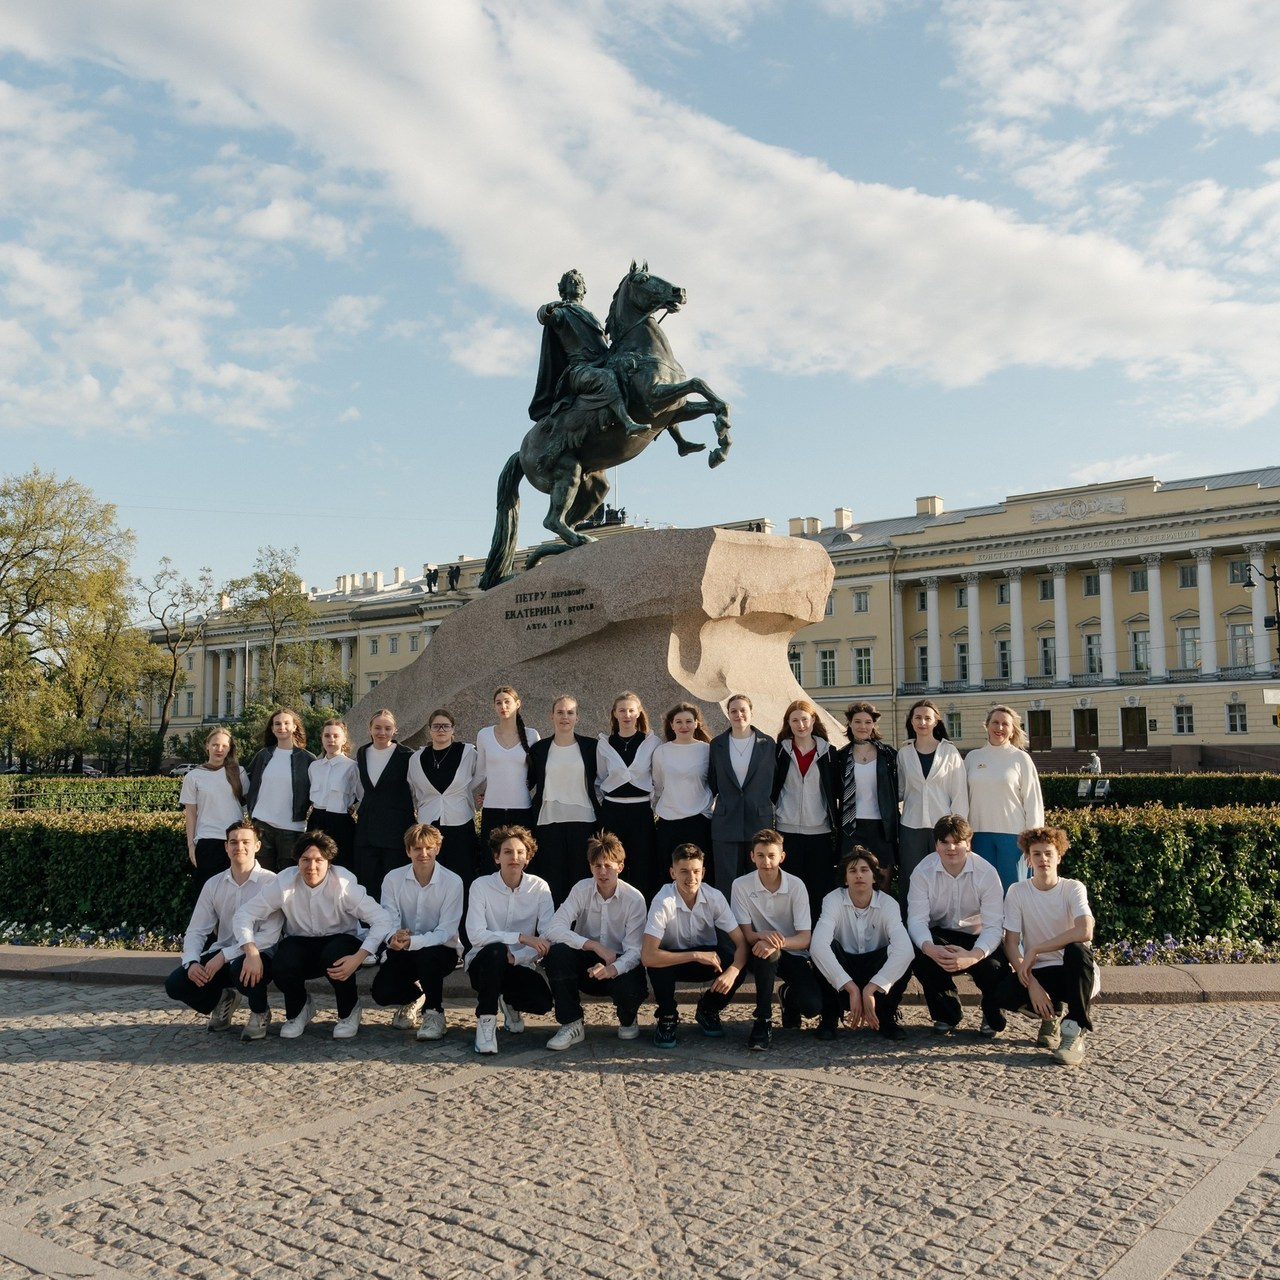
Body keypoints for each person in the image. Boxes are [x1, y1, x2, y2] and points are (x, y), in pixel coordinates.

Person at [233, 830, 392, 1041]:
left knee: (335, 955)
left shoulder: (344, 885)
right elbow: (244, 914)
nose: (312, 867)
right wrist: (251, 951)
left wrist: (359, 957)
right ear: (297, 862)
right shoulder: (283, 883)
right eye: (305, 860)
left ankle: (349, 1011)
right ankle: (299, 1010)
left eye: (319, 860)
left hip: (340, 939)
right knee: (282, 961)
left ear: (329, 862)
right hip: (301, 941)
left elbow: (382, 919)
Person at [982, 827, 1098, 1066]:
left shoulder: (1073, 888)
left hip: (1075, 972)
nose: (1043, 859)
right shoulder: (1017, 891)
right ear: (1028, 858)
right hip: (1041, 971)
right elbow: (1011, 943)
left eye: (1048, 853)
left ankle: (1074, 1030)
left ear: (1059, 856)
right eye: (1036, 854)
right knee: (1002, 993)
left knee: (1077, 949)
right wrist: (1031, 982)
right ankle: (1052, 1014)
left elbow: (1085, 930)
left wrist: (1036, 949)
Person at [164, 818, 280, 1042]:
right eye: (234, 842)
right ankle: (223, 998)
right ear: (226, 847)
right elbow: (197, 930)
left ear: (257, 845)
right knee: (176, 984)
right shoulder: (214, 884)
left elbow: (270, 935)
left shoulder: (271, 882)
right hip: (222, 951)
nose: (240, 847)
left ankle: (259, 1011)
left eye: (246, 841)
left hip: (261, 952)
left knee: (242, 968)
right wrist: (191, 962)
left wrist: (224, 956)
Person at [543, 831, 649, 1049]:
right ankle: (571, 1022)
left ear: (620, 866)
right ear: (590, 867)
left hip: (619, 964)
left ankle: (628, 1015)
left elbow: (635, 951)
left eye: (608, 865)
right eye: (597, 866)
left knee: (631, 986)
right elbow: (553, 928)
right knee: (558, 953)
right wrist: (593, 945)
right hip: (587, 961)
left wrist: (613, 969)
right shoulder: (581, 889)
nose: (602, 872)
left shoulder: (634, 899)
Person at [906, 814, 1008, 1036]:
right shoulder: (922, 872)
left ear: (968, 844)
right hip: (940, 935)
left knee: (995, 967)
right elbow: (916, 920)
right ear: (936, 845)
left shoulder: (987, 873)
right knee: (916, 951)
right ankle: (947, 1012)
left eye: (957, 842)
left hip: (977, 937)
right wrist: (930, 949)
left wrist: (973, 956)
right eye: (944, 842)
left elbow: (993, 927)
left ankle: (991, 1011)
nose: (951, 848)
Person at [642, 843, 748, 1049]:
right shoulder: (663, 900)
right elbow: (647, 956)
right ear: (672, 873)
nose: (691, 878)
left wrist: (732, 972)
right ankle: (667, 1015)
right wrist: (695, 955)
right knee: (657, 965)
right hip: (672, 959)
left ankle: (708, 1009)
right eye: (684, 872)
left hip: (707, 958)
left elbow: (742, 943)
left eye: (696, 871)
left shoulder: (714, 897)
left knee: (735, 964)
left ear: (704, 872)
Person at [464, 825, 555, 1055]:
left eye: (520, 852)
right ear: (496, 857)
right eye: (507, 852)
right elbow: (475, 934)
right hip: (483, 965)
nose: (514, 857)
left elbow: (546, 937)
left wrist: (517, 956)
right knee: (495, 951)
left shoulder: (540, 887)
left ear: (527, 857)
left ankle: (509, 1002)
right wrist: (521, 938)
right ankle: (486, 1023)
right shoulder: (481, 886)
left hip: (518, 964)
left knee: (542, 1003)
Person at [729, 828, 822, 1050]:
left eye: (772, 856)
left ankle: (787, 994)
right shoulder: (740, 885)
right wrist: (763, 938)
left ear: (782, 857)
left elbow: (805, 938)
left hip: (792, 951)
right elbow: (747, 934)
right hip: (758, 953)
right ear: (752, 856)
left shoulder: (796, 886)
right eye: (760, 855)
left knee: (812, 1007)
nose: (766, 861)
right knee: (767, 955)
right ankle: (763, 1020)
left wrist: (775, 942)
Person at [810, 847, 913, 1042]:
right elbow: (817, 946)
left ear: (874, 877)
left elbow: (905, 950)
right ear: (845, 878)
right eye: (853, 871)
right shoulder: (832, 900)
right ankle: (829, 1018)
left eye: (865, 870)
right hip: (844, 968)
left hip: (874, 969)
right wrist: (849, 986)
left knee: (901, 956)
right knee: (824, 951)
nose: (859, 875)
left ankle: (886, 1018)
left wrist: (871, 987)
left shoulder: (888, 903)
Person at [373, 823, 463, 1042]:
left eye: (428, 848)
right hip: (403, 949)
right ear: (408, 851)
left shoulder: (453, 882)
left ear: (438, 848)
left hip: (442, 951)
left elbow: (445, 931)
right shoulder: (393, 879)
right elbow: (388, 917)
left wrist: (413, 941)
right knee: (381, 992)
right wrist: (393, 937)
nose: (423, 853)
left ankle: (434, 1013)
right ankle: (416, 996)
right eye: (417, 849)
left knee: (428, 955)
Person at [526, 694, 601, 907]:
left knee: (581, 878)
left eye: (570, 712)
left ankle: (579, 930)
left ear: (577, 718)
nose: (564, 717)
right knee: (552, 879)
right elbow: (527, 780)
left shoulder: (590, 747)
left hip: (584, 820)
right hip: (548, 821)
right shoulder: (540, 749)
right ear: (551, 717)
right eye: (560, 712)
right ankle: (553, 929)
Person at [965, 705, 1045, 892]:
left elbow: (1033, 802)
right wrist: (964, 835)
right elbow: (963, 797)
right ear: (987, 726)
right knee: (983, 891)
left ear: (1012, 730)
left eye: (1004, 724)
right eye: (995, 722)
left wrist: (1032, 841)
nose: (999, 728)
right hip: (979, 835)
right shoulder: (972, 758)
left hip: (1013, 837)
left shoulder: (1021, 759)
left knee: (1014, 890)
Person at [771, 698, 838, 919]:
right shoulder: (779, 752)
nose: (801, 725)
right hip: (787, 829)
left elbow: (834, 789)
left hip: (819, 830)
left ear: (813, 720)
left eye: (805, 719)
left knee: (819, 888)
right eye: (795, 720)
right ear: (788, 723)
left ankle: (818, 938)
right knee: (790, 888)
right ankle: (793, 941)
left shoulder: (828, 753)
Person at [896, 699, 967, 904]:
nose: (923, 722)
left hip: (943, 826)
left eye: (928, 718)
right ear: (911, 721)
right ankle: (909, 929)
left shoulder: (949, 752)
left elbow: (959, 793)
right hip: (911, 826)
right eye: (918, 717)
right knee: (911, 879)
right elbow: (900, 790)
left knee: (943, 878)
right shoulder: (904, 753)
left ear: (936, 722)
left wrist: (959, 832)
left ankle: (942, 930)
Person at [406, 709, 481, 892]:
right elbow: (414, 789)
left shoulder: (467, 753)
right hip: (429, 825)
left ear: (452, 729)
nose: (441, 730)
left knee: (462, 876)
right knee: (431, 877)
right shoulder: (416, 759)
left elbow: (483, 776)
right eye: (436, 726)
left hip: (460, 823)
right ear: (430, 730)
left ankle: (462, 920)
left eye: (446, 726)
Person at [707, 693, 775, 890]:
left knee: (758, 880)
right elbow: (713, 780)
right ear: (728, 714)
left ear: (751, 712)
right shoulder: (717, 744)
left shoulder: (768, 744)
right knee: (727, 882)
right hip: (726, 822)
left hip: (758, 820)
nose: (739, 715)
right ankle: (728, 921)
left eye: (743, 710)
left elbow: (775, 780)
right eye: (733, 711)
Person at [596, 692, 660, 900]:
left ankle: (643, 917)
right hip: (612, 811)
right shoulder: (605, 744)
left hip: (640, 812)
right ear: (614, 714)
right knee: (612, 864)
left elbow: (657, 778)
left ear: (639, 712)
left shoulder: (651, 742)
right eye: (622, 710)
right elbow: (601, 776)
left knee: (642, 865)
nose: (627, 714)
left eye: (631, 710)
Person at [352, 708, 415, 896]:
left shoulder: (406, 755)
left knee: (394, 884)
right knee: (367, 881)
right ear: (370, 729)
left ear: (394, 730)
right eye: (377, 728)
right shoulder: (362, 752)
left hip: (396, 829)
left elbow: (415, 789)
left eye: (387, 728)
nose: (382, 732)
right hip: (368, 828)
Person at [835, 701, 899, 887]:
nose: (862, 726)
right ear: (850, 724)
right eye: (857, 722)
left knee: (882, 879)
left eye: (867, 722)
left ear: (873, 725)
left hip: (881, 824)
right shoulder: (841, 757)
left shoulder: (888, 756)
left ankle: (881, 915)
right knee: (853, 878)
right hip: (851, 825)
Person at [650, 702, 714, 884]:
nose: (684, 726)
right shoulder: (661, 752)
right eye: (678, 722)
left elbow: (712, 782)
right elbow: (659, 785)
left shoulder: (707, 750)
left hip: (699, 820)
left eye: (688, 721)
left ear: (696, 723)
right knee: (668, 873)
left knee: (699, 875)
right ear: (671, 725)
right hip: (669, 822)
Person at [180, 726, 248, 894]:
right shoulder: (193, 777)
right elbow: (190, 813)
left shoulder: (239, 773)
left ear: (230, 748)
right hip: (208, 841)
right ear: (207, 746)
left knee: (234, 893)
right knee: (207, 894)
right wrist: (191, 845)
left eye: (224, 746)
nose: (219, 749)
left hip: (234, 841)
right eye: (215, 745)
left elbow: (249, 805)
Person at [246, 708, 316, 871]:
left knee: (289, 879)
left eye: (286, 723)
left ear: (295, 727)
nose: (281, 727)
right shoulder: (263, 756)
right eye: (277, 724)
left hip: (292, 829)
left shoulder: (308, 759)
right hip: (262, 826)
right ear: (272, 728)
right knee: (262, 878)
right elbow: (246, 784)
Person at [475, 686, 540, 853]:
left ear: (518, 704)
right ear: (494, 706)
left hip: (522, 810)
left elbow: (538, 773)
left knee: (522, 859)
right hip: (492, 809)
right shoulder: (484, 735)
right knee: (491, 861)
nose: (503, 706)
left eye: (507, 702)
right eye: (498, 703)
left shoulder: (532, 735)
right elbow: (481, 772)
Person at [307, 719, 359, 865]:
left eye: (336, 736)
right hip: (316, 820)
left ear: (344, 739)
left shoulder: (352, 767)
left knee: (341, 864)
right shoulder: (314, 767)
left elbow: (360, 794)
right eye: (327, 736)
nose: (331, 739)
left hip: (341, 821)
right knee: (315, 862)